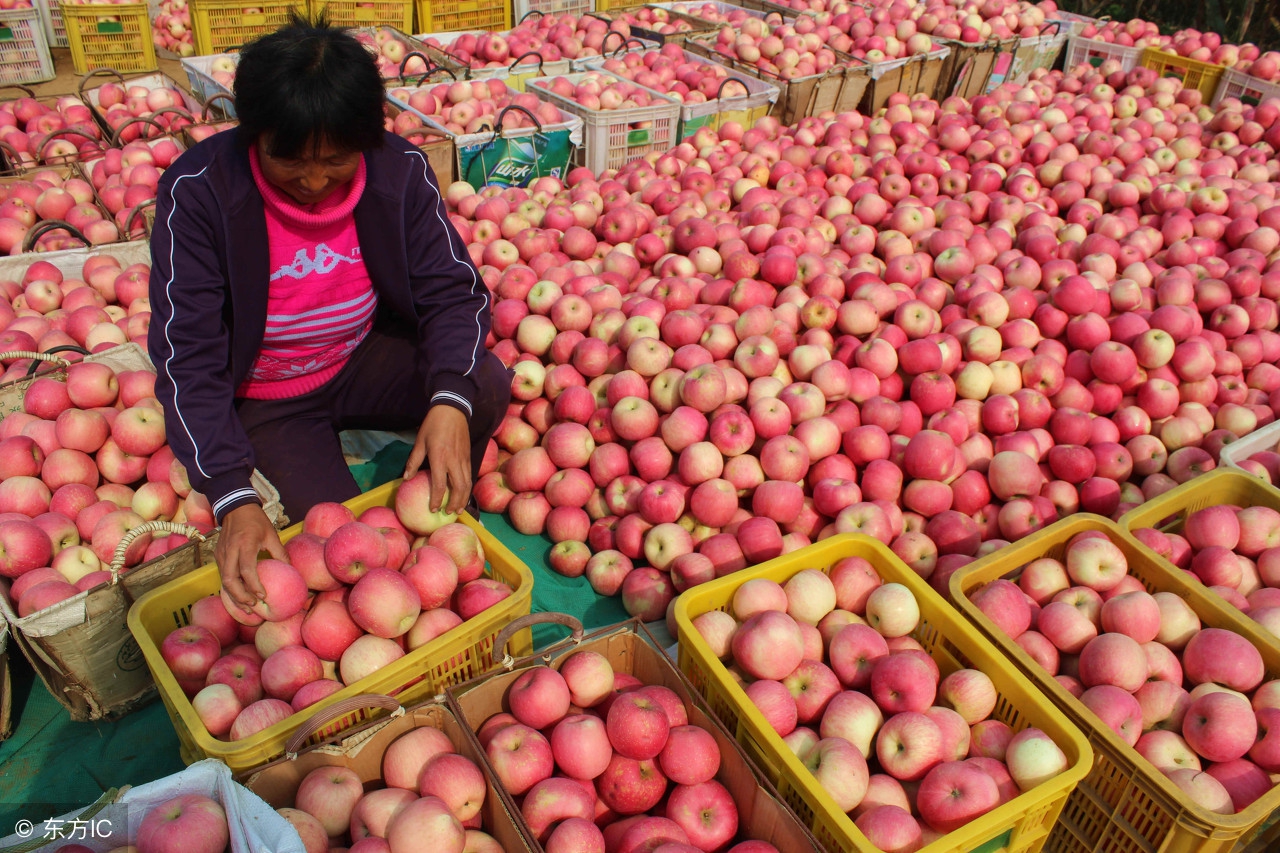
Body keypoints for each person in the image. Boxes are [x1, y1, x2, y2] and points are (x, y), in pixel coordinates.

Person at [148, 13, 509, 614]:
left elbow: (452, 291)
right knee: (333, 544)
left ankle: (441, 493)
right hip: (268, 398)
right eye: (291, 160)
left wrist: (448, 400)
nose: (314, 180)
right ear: (253, 135)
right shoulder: (202, 192)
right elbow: (188, 355)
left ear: (367, 139)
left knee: (483, 385)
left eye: (336, 160)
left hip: (361, 357)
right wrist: (230, 494)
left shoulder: (398, 171)